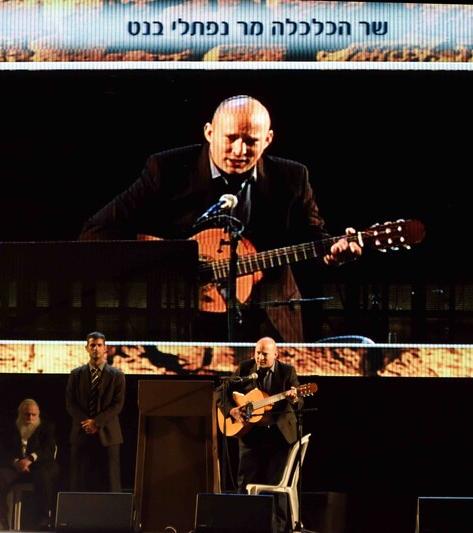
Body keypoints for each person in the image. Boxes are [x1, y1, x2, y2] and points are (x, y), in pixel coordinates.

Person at [78, 94, 361, 342]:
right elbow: (96, 232)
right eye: (230, 138)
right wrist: (168, 259)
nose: (239, 151)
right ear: (209, 132)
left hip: (267, 317)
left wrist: (333, 253)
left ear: (268, 140)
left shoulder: (292, 178)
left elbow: (314, 239)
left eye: (251, 141)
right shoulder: (167, 170)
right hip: (183, 313)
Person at [216, 336, 304, 533]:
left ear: (275, 354)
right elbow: (220, 392)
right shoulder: (246, 369)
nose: (260, 357)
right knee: (245, 484)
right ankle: (243, 526)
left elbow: (300, 403)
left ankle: (278, 529)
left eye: (265, 353)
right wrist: (232, 411)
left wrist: (294, 398)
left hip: (278, 437)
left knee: (276, 486)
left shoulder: (287, 371)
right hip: (251, 437)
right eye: (258, 353)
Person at [66, 330, 126, 492]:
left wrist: (96, 423)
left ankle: (115, 516)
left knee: (112, 482)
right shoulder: (76, 375)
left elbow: (117, 405)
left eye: (99, 345)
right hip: (81, 432)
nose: (96, 349)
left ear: (105, 348)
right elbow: (70, 403)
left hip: (108, 433)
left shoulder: (117, 376)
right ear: (87, 348)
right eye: (92, 345)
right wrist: (86, 423)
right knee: (78, 481)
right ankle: (76, 516)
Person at [0, 398, 59, 531]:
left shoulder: (47, 427)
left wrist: (30, 459)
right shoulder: (11, 427)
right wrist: (16, 462)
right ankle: (0, 520)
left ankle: (43, 520)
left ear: (38, 415)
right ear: (20, 414)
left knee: (43, 476)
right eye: (27, 414)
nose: (30, 417)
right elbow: (2, 450)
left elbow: (48, 449)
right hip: (16, 469)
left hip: (39, 466)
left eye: (33, 415)